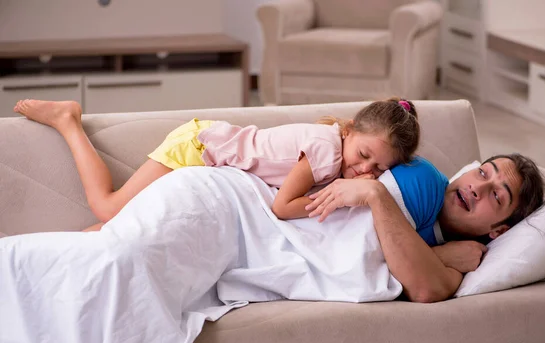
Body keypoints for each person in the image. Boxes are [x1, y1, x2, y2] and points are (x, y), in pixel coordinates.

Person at [12, 97, 420, 227]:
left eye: (380, 169)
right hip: (199, 149)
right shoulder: (326, 150)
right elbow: (281, 207)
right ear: (349, 130)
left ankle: (85, 241)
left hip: (208, 150)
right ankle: (68, 122)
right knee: (108, 206)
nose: (366, 172)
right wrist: (340, 198)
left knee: (115, 226)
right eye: (365, 156)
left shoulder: (336, 151)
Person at [306, 152, 545, 302]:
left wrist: (437, 256)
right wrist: (377, 194)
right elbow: (355, 253)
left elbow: (426, 290)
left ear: (499, 231)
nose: (477, 188)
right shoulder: (422, 179)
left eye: (496, 196)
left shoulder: (468, 257)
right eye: (483, 173)